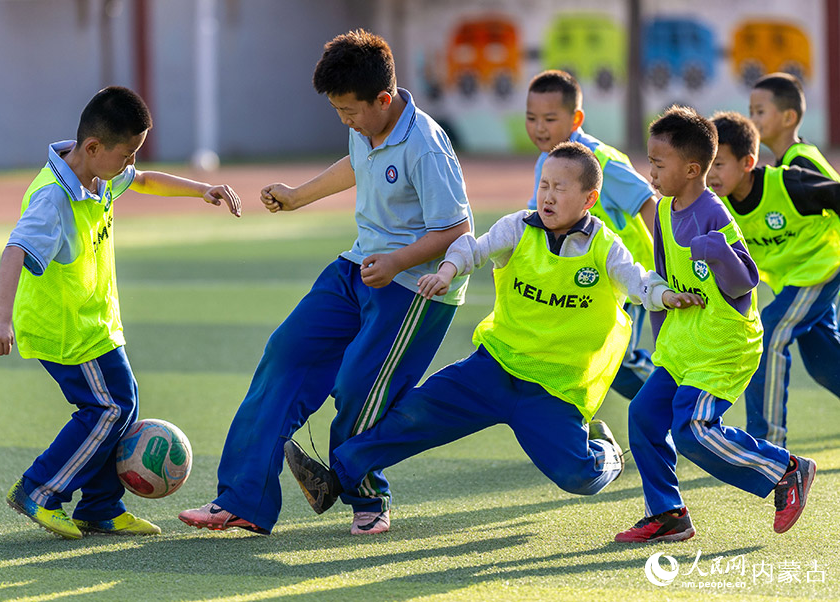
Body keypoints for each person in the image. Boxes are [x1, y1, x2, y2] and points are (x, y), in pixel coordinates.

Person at [281, 142, 703, 524]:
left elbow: (637, 282)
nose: (549, 195)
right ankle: (334, 479)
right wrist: (447, 270)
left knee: (579, 476)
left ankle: (607, 453)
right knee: (415, 415)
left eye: (561, 187)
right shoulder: (518, 226)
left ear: (589, 198)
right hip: (493, 368)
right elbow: (474, 247)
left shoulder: (605, 247)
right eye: (544, 184)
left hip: (553, 389)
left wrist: (666, 296)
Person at [179, 29, 472, 536]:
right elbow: (357, 164)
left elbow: (457, 231)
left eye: (350, 111)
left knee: (360, 385)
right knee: (285, 353)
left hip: (416, 288)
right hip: (358, 266)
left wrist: (399, 261)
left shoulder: (426, 146)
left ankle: (367, 496)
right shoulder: (366, 123)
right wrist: (297, 196)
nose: (345, 121)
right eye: (337, 112)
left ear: (384, 99)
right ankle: (244, 499)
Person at [0, 86, 242, 540]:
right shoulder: (54, 199)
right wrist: (0, 319)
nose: (130, 164)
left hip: (95, 323)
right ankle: (39, 489)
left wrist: (202, 189)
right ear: (93, 146)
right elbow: (14, 250)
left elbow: (143, 180)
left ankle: (101, 507)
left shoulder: (97, 176)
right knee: (107, 408)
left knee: (123, 405)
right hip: (64, 330)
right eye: (128, 153)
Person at [615, 106, 816, 543]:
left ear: (691, 169)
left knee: (692, 432)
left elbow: (744, 282)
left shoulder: (715, 216)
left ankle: (786, 469)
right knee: (644, 414)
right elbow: (662, 282)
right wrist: (660, 340)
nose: (650, 171)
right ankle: (667, 514)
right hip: (683, 345)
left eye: (658, 163)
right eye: (649, 160)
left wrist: (718, 252)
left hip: (725, 346)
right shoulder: (665, 212)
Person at [708, 111, 840, 446]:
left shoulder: (788, 183)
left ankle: (767, 444)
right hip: (791, 283)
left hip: (822, 267)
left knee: (772, 329)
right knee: (825, 365)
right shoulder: (718, 208)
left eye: (719, 164)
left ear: (748, 162)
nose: (711, 175)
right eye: (706, 164)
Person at [524, 70, 658, 399]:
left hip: (627, 277)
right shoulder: (549, 161)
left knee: (618, 358)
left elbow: (647, 202)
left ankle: (670, 399)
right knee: (577, 353)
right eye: (531, 118)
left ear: (576, 118)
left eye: (549, 118)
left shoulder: (602, 161)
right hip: (585, 279)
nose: (539, 127)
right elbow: (535, 219)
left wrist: (666, 259)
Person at [750, 72, 839, 180]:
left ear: (789, 118)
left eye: (760, 112)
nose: (752, 120)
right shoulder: (795, 155)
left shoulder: (799, 165)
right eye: (751, 113)